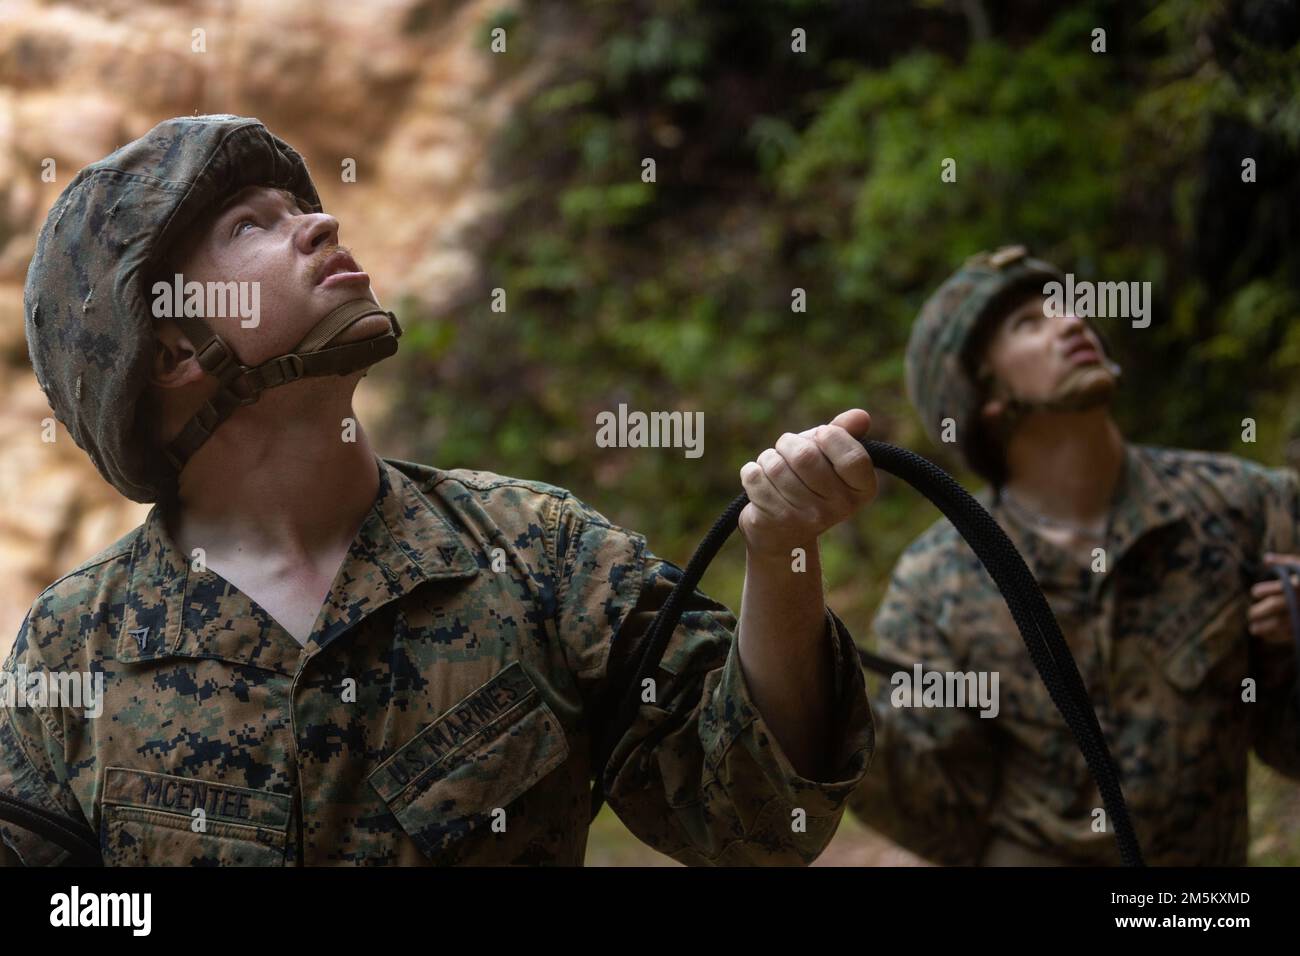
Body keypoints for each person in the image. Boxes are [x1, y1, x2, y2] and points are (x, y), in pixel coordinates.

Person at [1, 114, 877, 866]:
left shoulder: (539, 550)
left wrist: (783, 553)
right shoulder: (71, 651)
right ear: (173, 352)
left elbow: (756, 822)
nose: (320, 223)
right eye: (250, 227)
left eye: (302, 207)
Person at [847, 245, 1300, 866]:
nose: (1070, 322)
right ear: (983, 398)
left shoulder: (1246, 508)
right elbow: (939, 816)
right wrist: (816, 706)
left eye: (1066, 307)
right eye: (1028, 324)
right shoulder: (939, 583)